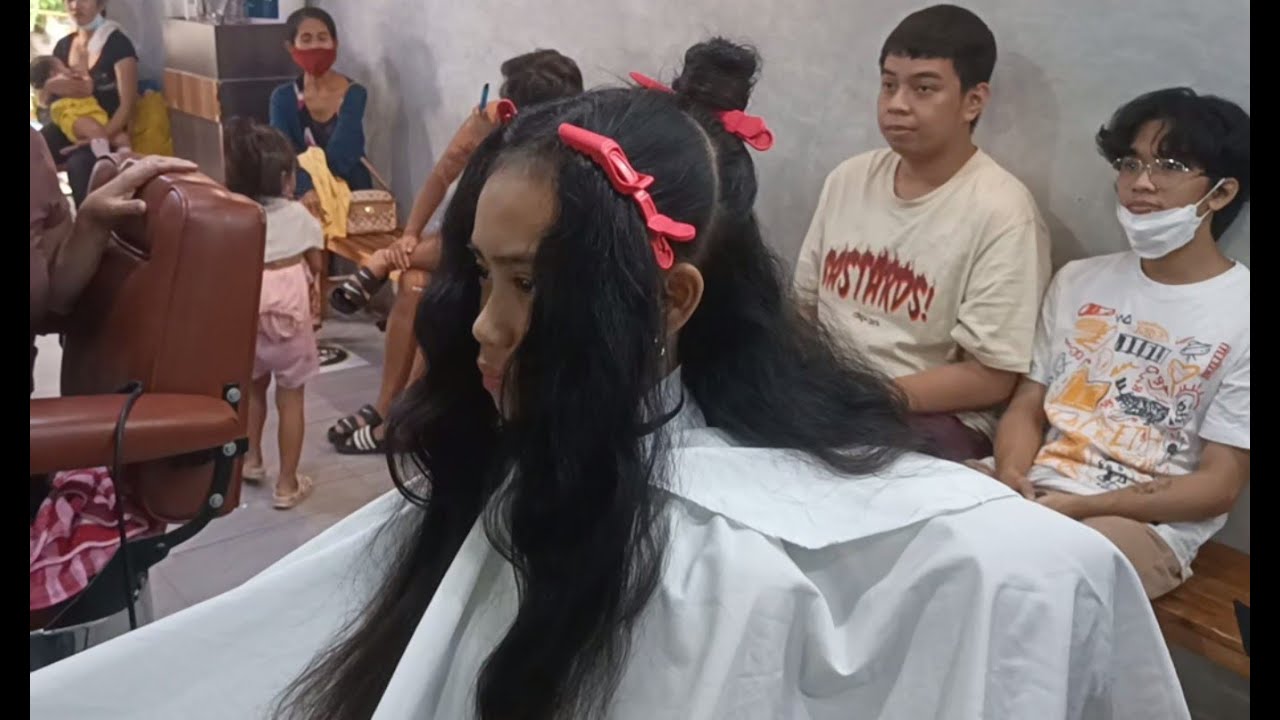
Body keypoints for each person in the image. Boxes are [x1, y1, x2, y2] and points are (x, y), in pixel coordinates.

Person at [30, 44, 1187, 720]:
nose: (482, 328)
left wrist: (1039, 536)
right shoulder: (514, 469)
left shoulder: (742, 555)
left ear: (672, 303)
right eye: (482, 276)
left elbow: (1040, 575)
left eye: (529, 286)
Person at [972, 88, 1250, 600]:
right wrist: (1011, 474)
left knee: (1034, 581)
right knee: (912, 517)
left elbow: (1220, 483)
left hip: (1140, 526)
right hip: (1032, 485)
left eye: (1169, 165)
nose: (1141, 183)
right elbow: (1028, 405)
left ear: (1222, 194)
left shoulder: (1242, 312)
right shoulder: (1079, 281)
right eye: (1130, 163)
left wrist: (1082, 507)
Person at [793, 4, 1050, 462]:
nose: (896, 104)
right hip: (832, 395)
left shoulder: (1002, 212)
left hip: (929, 416)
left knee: (839, 469)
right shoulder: (849, 178)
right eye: (889, 85)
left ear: (974, 101)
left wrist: (867, 395)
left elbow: (991, 377)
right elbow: (805, 309)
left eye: (923, 88)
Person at [326, 49, 584, 454]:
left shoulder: (565, 143)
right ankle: (392, 411)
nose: (504, 107)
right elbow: (444, 173)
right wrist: (409, 234)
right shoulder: (494, 118)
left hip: (495, 257)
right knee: (413, 285)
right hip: (459, 238)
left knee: (437, 285)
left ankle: (377, 270)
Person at [223, 119, 326, 510]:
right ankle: (286, 484)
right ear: (286, 177)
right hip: (290, 322)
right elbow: (316, 263)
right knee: (291, 399)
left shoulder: (236, 214)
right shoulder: (301, 217)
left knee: (252, 391)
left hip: (247, 317)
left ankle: (251, 460)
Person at [269, 7, 373, 224]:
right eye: (306, 39)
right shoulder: (282, 98)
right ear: (291, 47)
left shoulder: (354, 93)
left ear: (335, 43)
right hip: (302, 193)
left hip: (351, 192)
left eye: (322, 38)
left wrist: (321, 192)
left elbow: (344, 154)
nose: (315, 45)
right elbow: (284, 152)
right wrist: (306, 190)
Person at [39, 0, 140, 207]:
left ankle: (90, 229)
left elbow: (127, 106)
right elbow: (46, 100)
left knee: (81, 164)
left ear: (100, 4)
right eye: (69, 0)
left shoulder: (118, 44)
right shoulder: (64, 46)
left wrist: (99, 135)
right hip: (71, 127)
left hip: (109, 129)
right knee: (35, 150)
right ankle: (45, 225)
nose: (75, 5)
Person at [31, 54, 131, 157]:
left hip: (93, 112)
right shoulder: (54, 83)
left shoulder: (67, 79)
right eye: (63, 66)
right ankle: (104, 157)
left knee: (121, 138)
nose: (68, 68)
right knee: (95, 131)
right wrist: (81, 74)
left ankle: (125, 158)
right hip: (75, 116)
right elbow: (86, 89)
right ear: (53, 72)